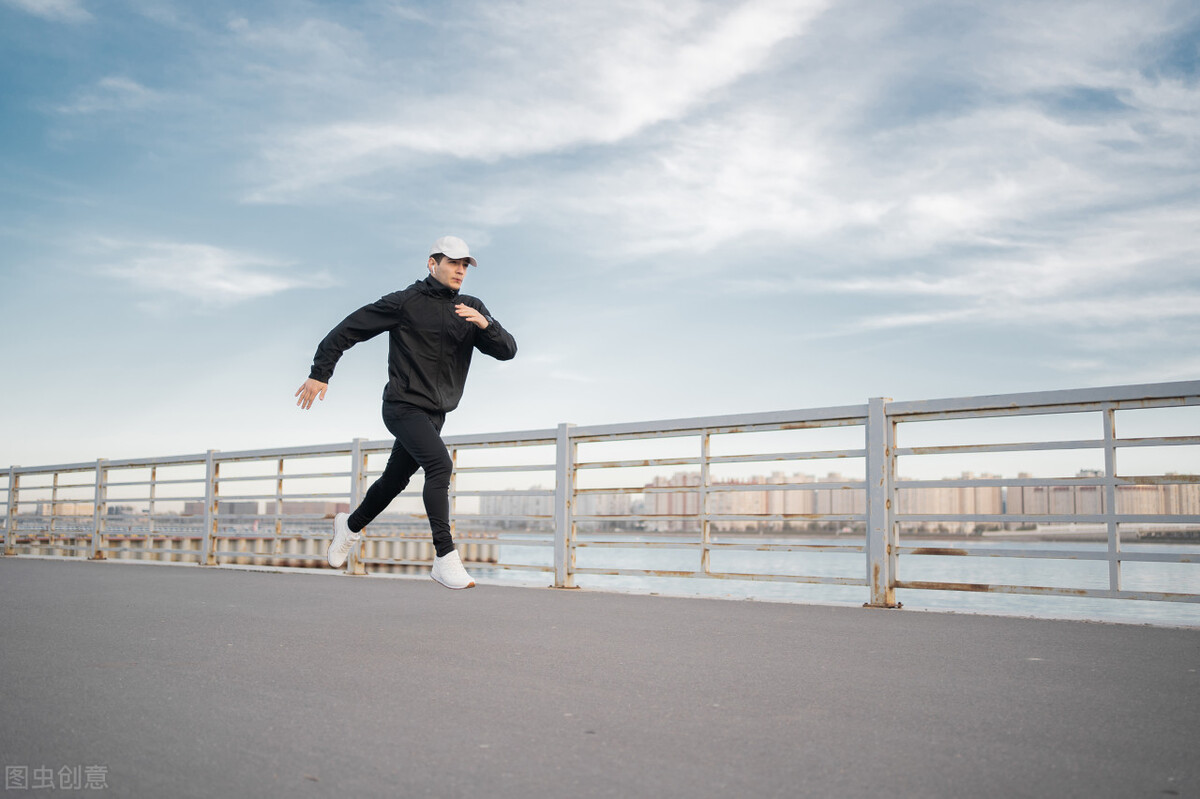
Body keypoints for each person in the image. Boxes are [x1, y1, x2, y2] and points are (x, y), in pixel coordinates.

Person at [294, 235, 517, 589]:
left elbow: (508, 351)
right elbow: (346, 330)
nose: (460, 270)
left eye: (465, 265)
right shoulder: (404, 303)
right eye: (453, 263)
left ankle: (348, 526)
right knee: (440, 465)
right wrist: (320, 373)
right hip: (401, 406)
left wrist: (485, 325)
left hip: (435, 414)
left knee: (395, 481)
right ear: (433, 263)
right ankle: (445, 557)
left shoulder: (471, 307)